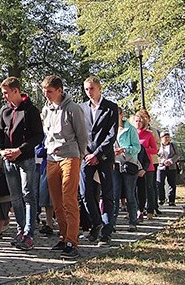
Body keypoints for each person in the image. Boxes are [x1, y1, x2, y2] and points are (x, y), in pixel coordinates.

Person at [41, 75, 88, 258]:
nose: (47, 95)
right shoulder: (46, 109)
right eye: (44, 92)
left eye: (50, 92)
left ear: (59, 90)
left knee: (69, 198)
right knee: (56, 200)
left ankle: (72, 241)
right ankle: (63, 235)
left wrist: (80, 156)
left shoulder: (73, 108)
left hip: (70, 156)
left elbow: (82, 136)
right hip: (52, 157)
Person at [0, 76, 43, 251]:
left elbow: (38, 135)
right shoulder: (4, 111)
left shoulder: (30, 110)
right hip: (9, 159)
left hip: (26, 159)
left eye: (6, 93)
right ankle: (21, 229)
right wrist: (2, 150)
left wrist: (20, 150)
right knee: (15, 197)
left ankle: (30, 232)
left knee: (28, 194)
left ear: (16, 91)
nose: (4, 96)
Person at [80, 76, 118, 245]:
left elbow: (111, 135)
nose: (89, 92)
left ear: (99, 88)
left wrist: (97, 153)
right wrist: (87, 153)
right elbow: (80, 133)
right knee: (85, 193)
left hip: (104, 155)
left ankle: (107, 232)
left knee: (107, 193)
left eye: (92, 88)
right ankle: (97, 223)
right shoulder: (82, 108)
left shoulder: (110, 108)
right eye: (87, 89)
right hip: (86, 156)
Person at [112, 107, 141, 232]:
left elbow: (137, 147)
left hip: (128, 164)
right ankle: (111, 224)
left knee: (130, 194)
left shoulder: (130, 129)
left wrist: (124, 149)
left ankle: (132, 221)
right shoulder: (110, 129)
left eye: (116, 114)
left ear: (121, 114)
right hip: (114, 164)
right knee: (114, 195)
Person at [133, 112, 159, 218]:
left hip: (147, 165)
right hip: (134, 165)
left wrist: (143, 150)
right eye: (136, 121)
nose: (138, 123)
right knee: (135, 189)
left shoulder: (148, 134)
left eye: (140, 121)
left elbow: (155, 149)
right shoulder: (131, 134)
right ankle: (137, 210)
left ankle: (150, 210)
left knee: (149, 188)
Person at [157, 131, 179, 207]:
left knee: (172, 184)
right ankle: (161, 199)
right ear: (161, 138)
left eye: (168, 137)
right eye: (165, 137)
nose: (167, 139)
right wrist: (162, 161)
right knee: (160, 183)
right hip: (161, 167)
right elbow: (156, 155)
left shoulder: (173, 146)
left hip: (171, 167)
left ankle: (171, 201)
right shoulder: (158, 146)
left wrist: (170, 161)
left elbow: (177, 155)